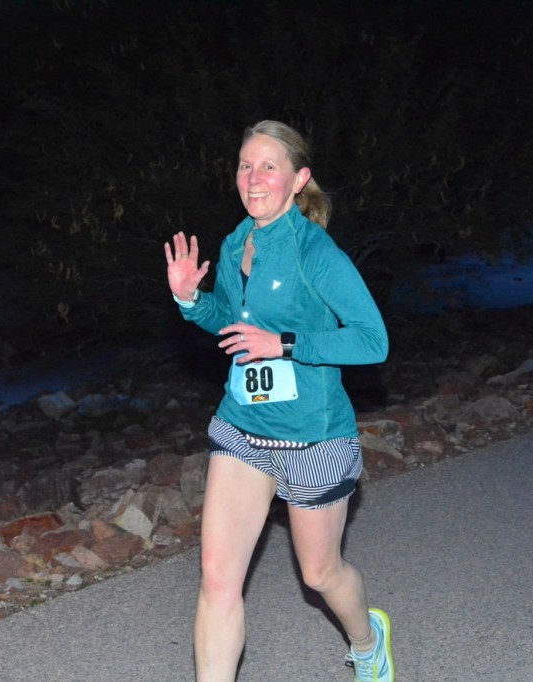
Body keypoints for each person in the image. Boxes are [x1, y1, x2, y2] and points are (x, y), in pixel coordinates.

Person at [163, 120, 394, 682]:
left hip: (312, 437)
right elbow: (232, 325)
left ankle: (369, 642)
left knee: (320, 574)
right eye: (246, 165)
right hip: (241, 427)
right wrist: (191, 299)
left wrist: (285, 344)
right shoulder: (235, 240)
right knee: (218, 578)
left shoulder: (317, 252)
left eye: (269, 166)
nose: (254, 177)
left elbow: (372, 340)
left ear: (299, 179)